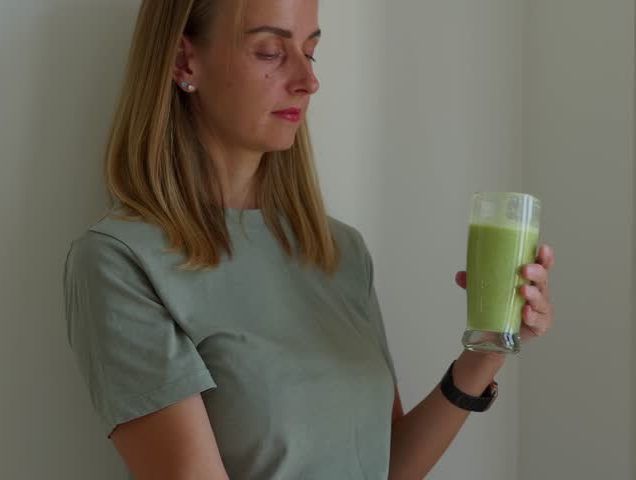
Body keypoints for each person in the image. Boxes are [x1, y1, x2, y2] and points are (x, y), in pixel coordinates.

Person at [62, 0, 556, 478]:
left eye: (311, 50)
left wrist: (488, 347)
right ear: (183, 60)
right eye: (271, 52)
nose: (308, 81)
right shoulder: (121, 261)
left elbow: (386, 466)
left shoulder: (340, 252)